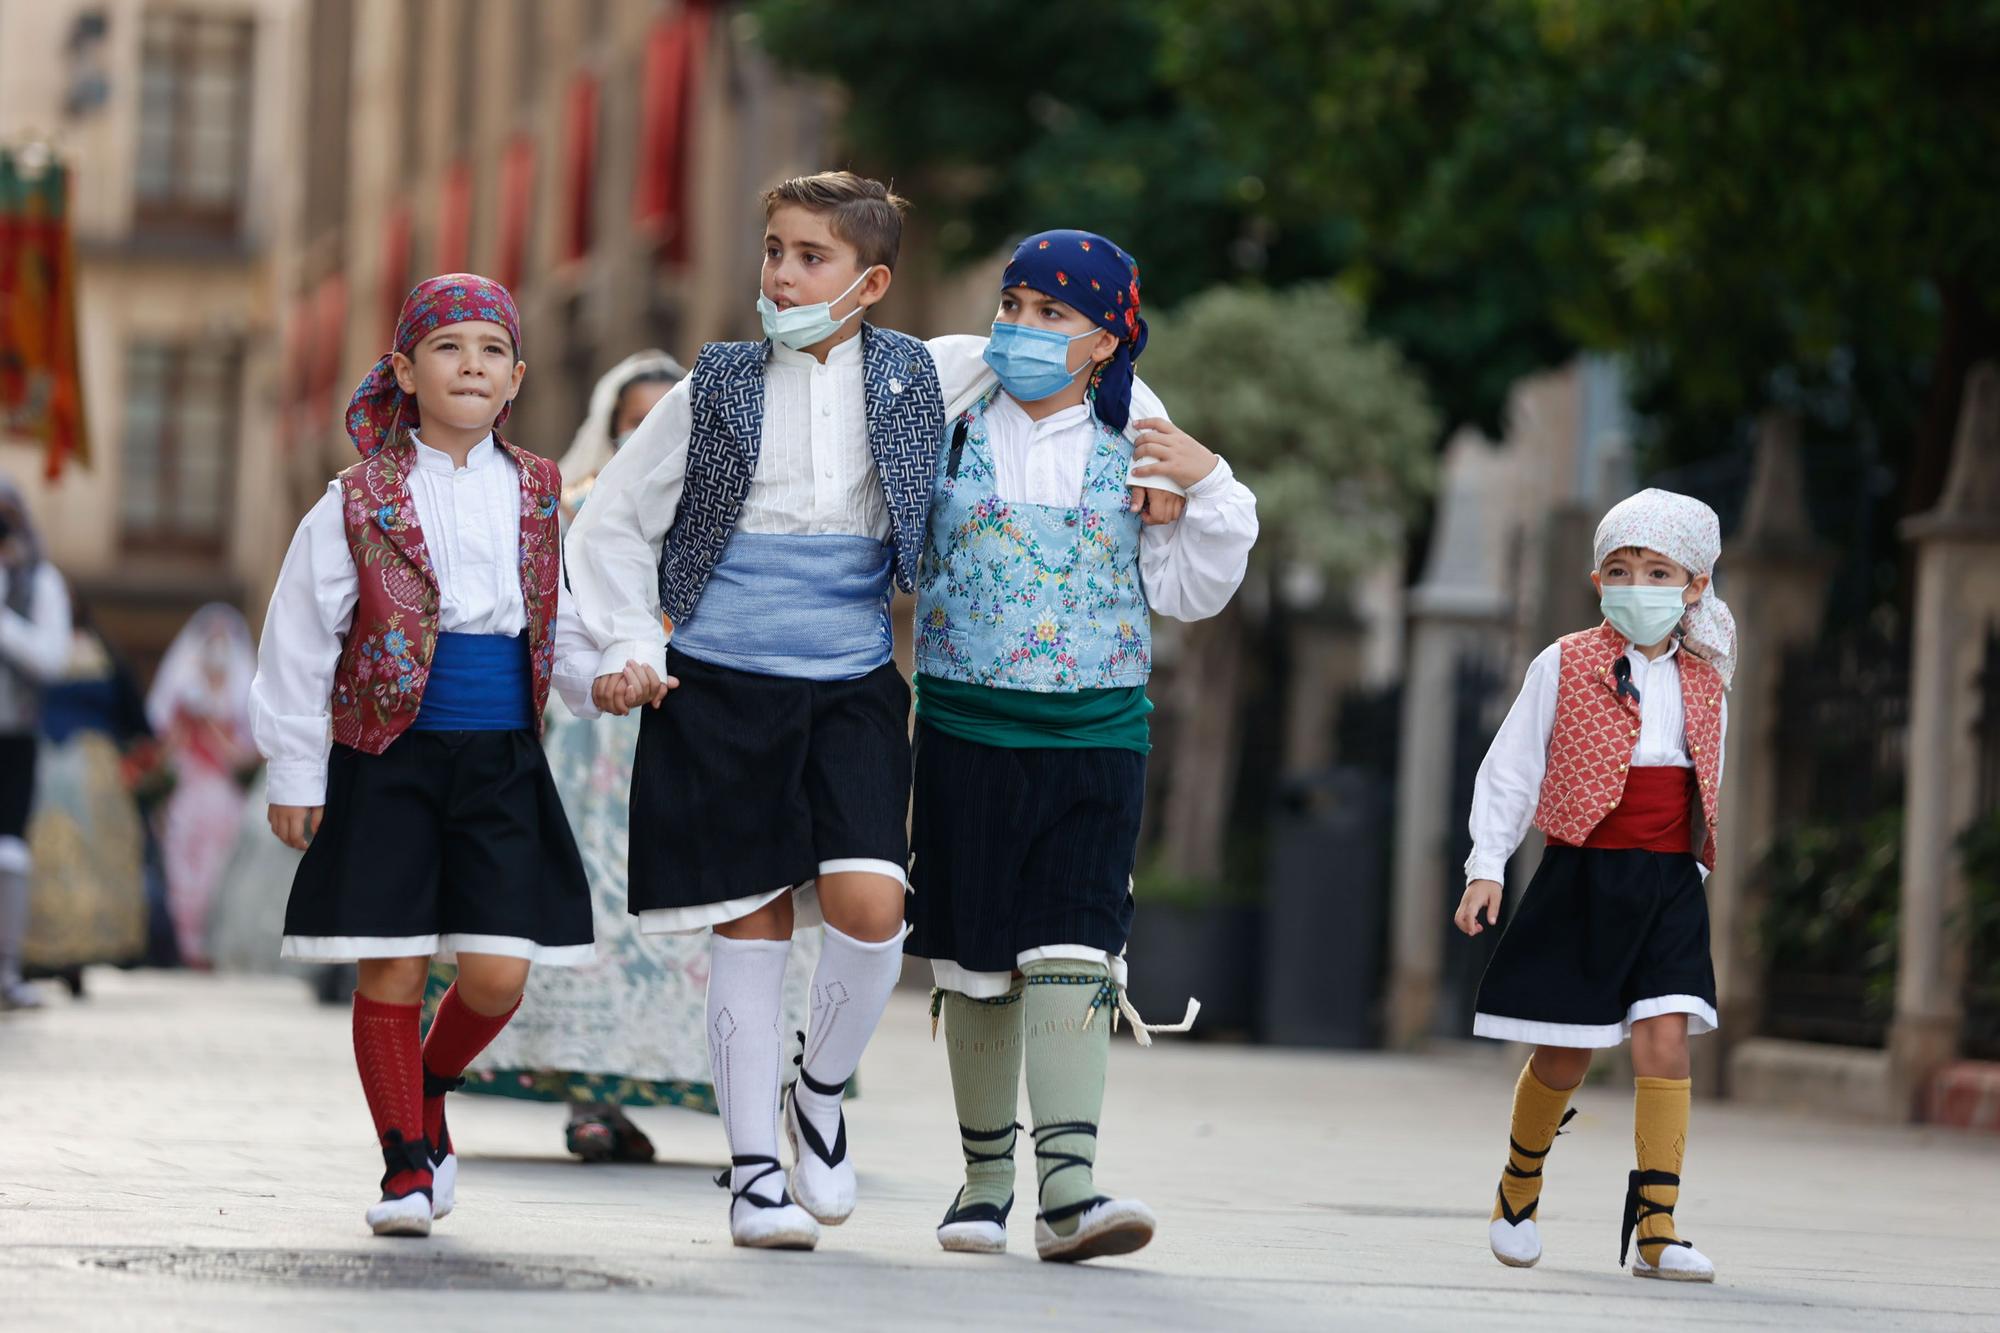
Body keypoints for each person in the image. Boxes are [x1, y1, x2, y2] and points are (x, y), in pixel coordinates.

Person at [565, 171, 1186, 1251]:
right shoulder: (711, 386)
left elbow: (1096, 361)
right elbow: (610, 524)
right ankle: (755, 1170)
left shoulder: (926, 372)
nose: (783, 273)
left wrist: (1166, 463)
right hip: (718, 686)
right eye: (772, 250)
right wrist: (627, 641)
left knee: (873, 905)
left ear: (871, 282)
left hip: (850, 684)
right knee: (748, 926)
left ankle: (818, 1090)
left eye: (811, 256)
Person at [906, 230, 1259, 1262]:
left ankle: (1069, 1190)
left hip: (1097, 735)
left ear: (1104, 339)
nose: (1020, 328)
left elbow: (1190, 592)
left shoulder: (1140, 450)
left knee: (1072, 944)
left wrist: (1210, 485)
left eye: (1051, 314)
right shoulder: (949, 419)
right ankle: (980, 1184)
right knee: (974, 958)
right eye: (1012, 304)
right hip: (966, 732)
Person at [250, 273, 595, 1238]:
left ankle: (430, 1088)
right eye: (448, 348)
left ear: (516, 376)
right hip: (387, 754)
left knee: (496, 973)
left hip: (500, 759)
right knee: (391, 964)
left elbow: (555, 616)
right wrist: (293, 769)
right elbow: (300, 637)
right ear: (405, 367)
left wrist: (602, 679)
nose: (471, 365)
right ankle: (406, 1163)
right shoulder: (353, 500)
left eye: (491, 350)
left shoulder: (537, 490)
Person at [429, 350, 821, 1163]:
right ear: (610, 429)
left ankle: (748, 1097)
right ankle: (590, 1097)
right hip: (593, 748)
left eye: (661, 420)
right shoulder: (571, 512)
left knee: (723, 910)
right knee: (597, 920)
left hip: (706, 725)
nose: (648, 433)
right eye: (633, 421)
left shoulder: (734, 508)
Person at [1453, 488, 1734, 1283]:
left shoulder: (1709, 680)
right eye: (1620, 569)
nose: (1637, 584)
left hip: (1670, 880)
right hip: (1586, 870)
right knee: (1567, 1052)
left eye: (1657, 570)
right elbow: (1510, 770)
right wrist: (1487, 865)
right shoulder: (1565, 661)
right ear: (1596, 579)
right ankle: (1518, 1186)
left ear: (1694, 586)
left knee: (1666, 1039)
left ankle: (1658, 1225)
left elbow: (1704, 779)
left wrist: (1695, 868)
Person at [23, 602, 152, 994]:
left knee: (82, 859)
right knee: (46, 857)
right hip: (60, 766)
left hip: (85, 771)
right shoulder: (48, 647)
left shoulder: (99, 654)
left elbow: (134, 716)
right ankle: (36, 952)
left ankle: (68, 954)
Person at [149, 603, 257, 968]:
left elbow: (246, 754)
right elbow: (166, 746)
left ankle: (209, 943)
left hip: (222, 794)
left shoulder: (239, 695)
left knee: (219, 866)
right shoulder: (184, 686)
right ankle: (184, 944)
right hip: (186, 790)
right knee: (181, 864)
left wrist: (211, 729)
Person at [0, 480, 73, 1010]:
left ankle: (5, 971)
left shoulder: (41, 584)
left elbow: (51, 657)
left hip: (12, 737)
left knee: (8, 851)